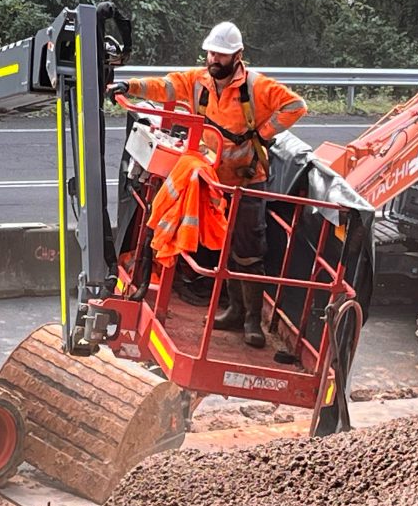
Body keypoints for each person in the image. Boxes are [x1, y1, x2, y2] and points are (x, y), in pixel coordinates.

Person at [107, 21, 307, 347]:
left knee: (249, 252)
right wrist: (129, 86)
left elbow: (296, 106)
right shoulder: (198, 81)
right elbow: (165, 87)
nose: (214, 59)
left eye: (222, 54)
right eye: (211, 52)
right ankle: (234, 311)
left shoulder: (256, 87)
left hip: (246, 181)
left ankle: (252, 321)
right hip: (213, 179)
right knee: (226, 248)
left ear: (238, 56)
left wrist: (262, 133)